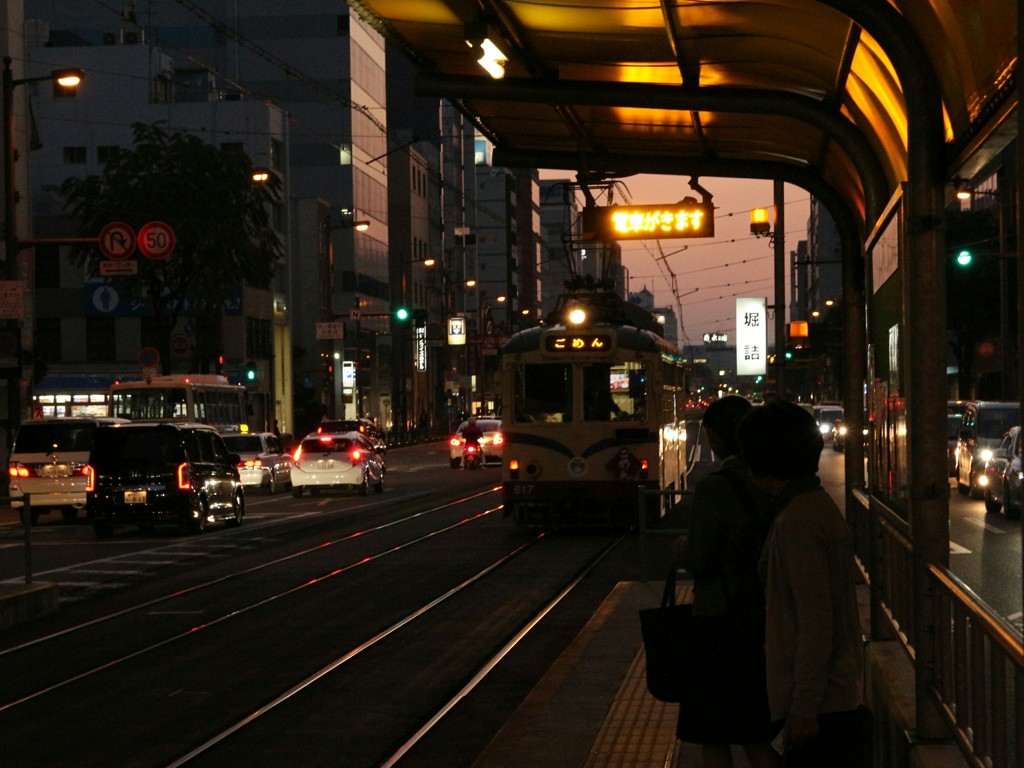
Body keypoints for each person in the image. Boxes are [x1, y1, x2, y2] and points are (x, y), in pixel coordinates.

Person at [736, 400, 867, 767]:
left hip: (822, 709)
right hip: (832, 698)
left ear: (762, 461)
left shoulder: (797, 522)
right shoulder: (814, 506)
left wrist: (804, 707)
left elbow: (815, 622)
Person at [676, 396, 778, 768]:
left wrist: (682, 548)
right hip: (763, 617)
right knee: (756, 733)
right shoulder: (770, 481)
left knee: (713, 733)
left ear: (716, 437)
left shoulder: (715, 488)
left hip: (718, 620)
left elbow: (699, 558)